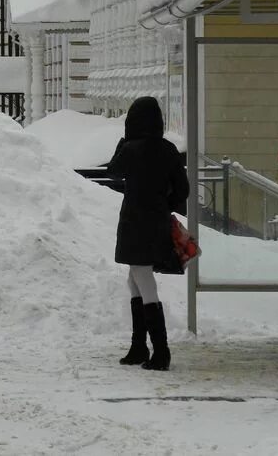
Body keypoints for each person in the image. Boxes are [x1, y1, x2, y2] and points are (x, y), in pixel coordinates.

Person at [106, 96, 188, 371]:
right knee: (135, 278)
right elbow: (183, 191)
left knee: (142, 279)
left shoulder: (130, 149)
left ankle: (160, 351)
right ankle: (139, 346)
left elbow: (114, 172)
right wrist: (163, 202)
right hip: (156, 221)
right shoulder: (169, 150)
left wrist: (123, 143)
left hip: (133, 222)